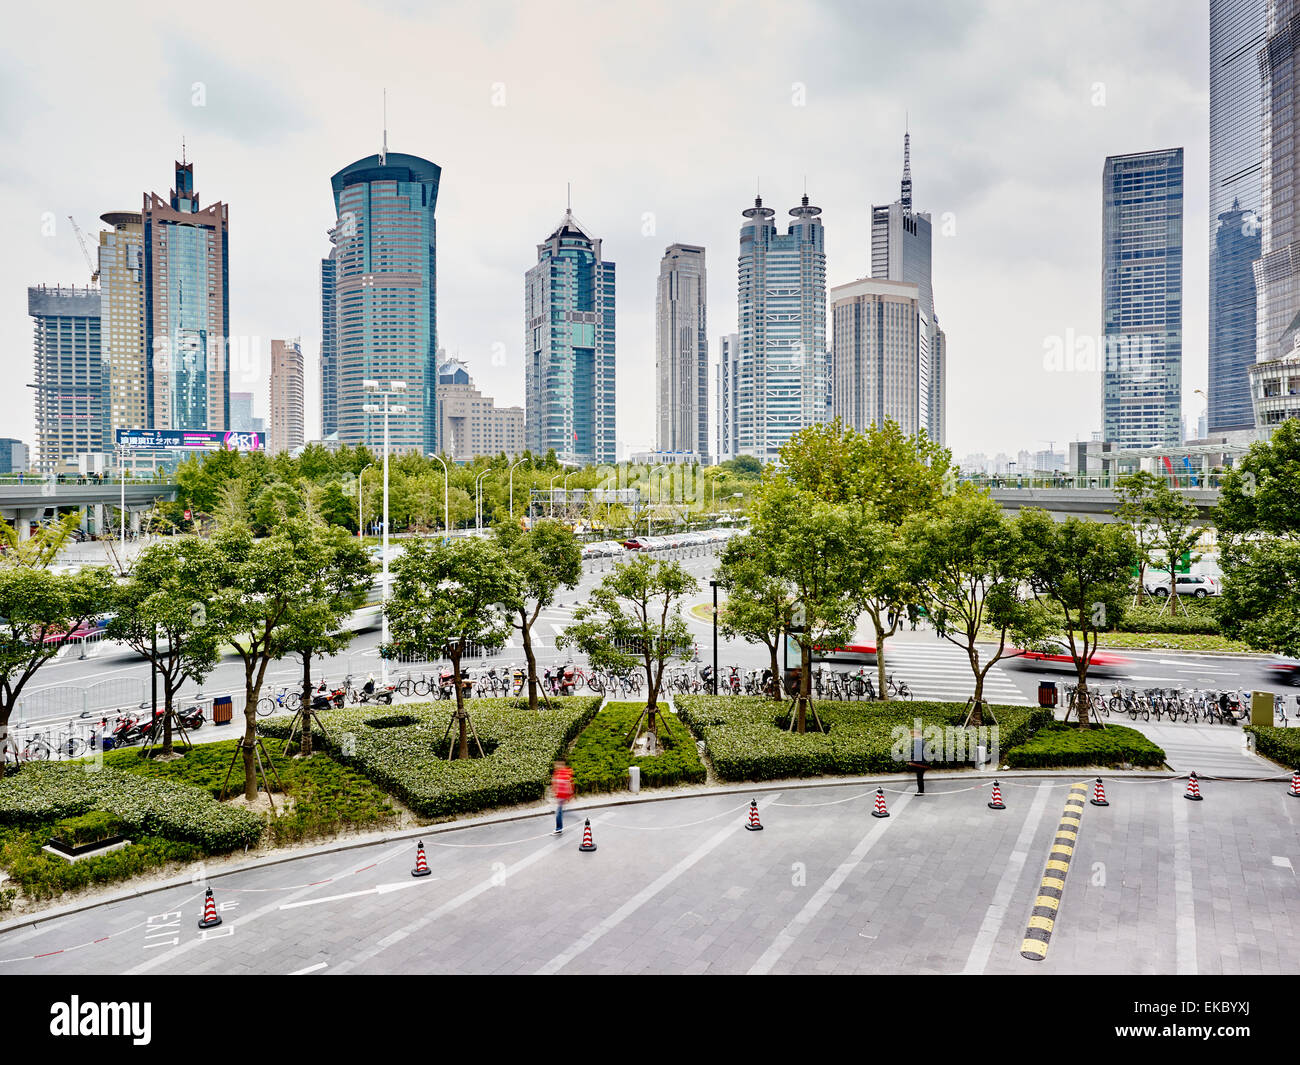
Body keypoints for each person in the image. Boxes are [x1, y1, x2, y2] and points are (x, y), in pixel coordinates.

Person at [551, 759, 574, 834]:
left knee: (558, 813)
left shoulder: (562, 773)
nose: (555, 767)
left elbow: (565, 785)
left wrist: (563, 796)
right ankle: (559, 828)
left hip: (561, 796)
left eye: (556, 765)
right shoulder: (560, 773)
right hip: (561, 796)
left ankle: (558, 828)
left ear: (560, 765)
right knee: (560, 811)